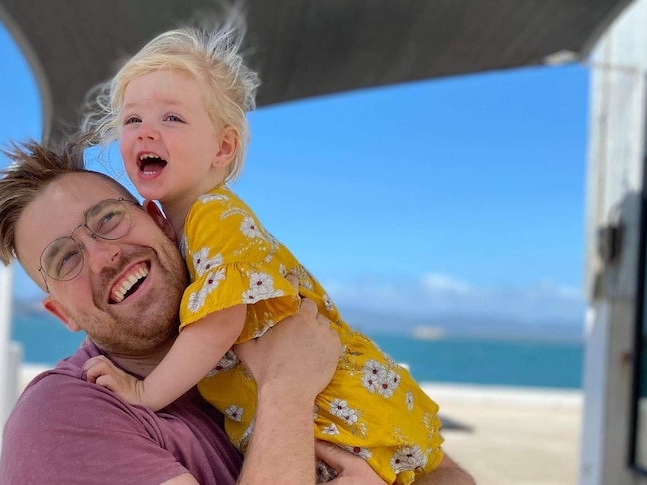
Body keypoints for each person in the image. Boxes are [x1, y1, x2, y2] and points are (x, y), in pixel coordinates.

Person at [82, 19, 454, 485]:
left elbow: (220, 322)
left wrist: (144, 394)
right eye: (132, 119)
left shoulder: (213, 216)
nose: (145, 132)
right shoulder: (186, 230)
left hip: (335, 406)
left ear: (223, 147)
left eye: (171, 118)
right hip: (318, 402)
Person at [0, 138, 474, 484]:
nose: (104, 255)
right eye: (65, 259)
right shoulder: (65, 419)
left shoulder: (255, 331)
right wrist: (286, 391)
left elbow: (445, 471)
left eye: (108, 218)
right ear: (61, 313)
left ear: (161, 222)